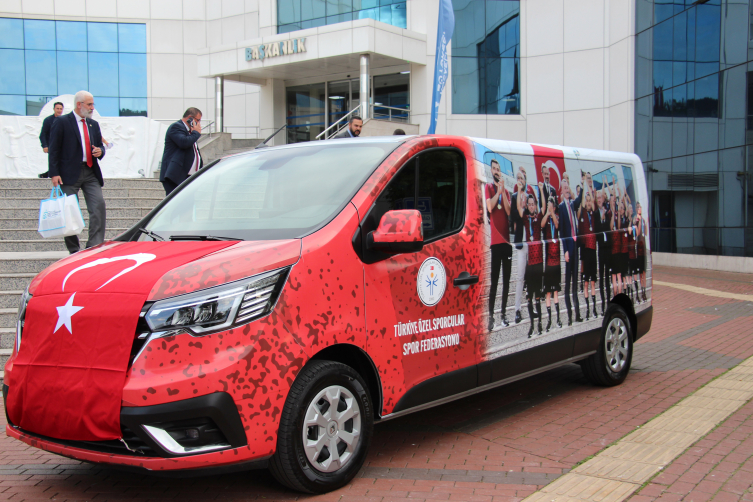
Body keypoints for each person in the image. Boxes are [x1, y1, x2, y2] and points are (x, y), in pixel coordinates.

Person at [48, 91, 106, 255]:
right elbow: (54, 149)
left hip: (90, 171)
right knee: (69, 211)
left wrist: (100, 151)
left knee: (98, 205)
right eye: (89, 104)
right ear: (79, 104)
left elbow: (100, 146)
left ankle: (94, 246)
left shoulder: (93, 124)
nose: (92, 108)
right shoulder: (61, 122)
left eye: (93, 104)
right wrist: (54, 173)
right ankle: (74, 250)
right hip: (68, 174)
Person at [485, 160, 512, 330]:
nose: (496, 171)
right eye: (494, 168)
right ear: (491, 171)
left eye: (498, 169)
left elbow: (509, 211)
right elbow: (489, 207)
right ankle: (491, 316)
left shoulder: (506, 192)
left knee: (506, 281)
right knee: (494, 281)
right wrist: (498, 193)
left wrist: (503, 193)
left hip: (507, 243)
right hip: (495, 242)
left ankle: (503, 314)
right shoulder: (489, 188)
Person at [510, 166, 536, 324]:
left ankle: (531, 306)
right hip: (521, 242)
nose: (521, 181)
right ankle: (517, 310)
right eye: (518, 178)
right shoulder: (515, 197)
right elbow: (517, 215)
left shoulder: (530, 198)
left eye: (523, 178)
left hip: (533, 242)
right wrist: (520, 196)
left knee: (531, 276)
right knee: (520, 277)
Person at [160, 108, 203, 196]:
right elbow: (184, 143)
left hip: (187, 176)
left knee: (187, 206)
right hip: (175, 176)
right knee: (175, 205)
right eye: (197, 120)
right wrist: (196, 133)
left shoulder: (190, 131)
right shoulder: (176, 127)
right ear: (190, 118)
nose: (199, 124)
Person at [558, 178, 582, 325]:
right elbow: (562, 231)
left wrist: (583, 184)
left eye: (568, 187)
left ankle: (578, 314)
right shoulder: (561, 207)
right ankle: (569, 316)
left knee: (575, 282)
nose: (567, 189)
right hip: (569, 248)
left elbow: (579, 200)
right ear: (562, 190)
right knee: (567, 285)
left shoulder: (573, 204)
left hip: (576, 246)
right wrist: (565, 250)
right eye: (565, 188)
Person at [520, 194, 543, 337]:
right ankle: (531, 325)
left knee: (538, 296)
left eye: (533, 204)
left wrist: (540, 190)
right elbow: (520, 209)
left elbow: (544, 208)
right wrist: (523, 200)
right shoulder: (526, 218)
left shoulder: (538, 218)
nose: (531, 206)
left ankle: (539, 324)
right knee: (529, 296)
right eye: (529, 204)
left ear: (535, 205)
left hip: (539, 262)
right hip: (529, 263)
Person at [541, 196, 562, 331]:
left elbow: (557, 225)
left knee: (556, 291)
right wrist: (547, 213)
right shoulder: (546, 217)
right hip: (548, 261)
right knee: (548, 291)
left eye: (551, 206)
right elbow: (541, 225)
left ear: (554, 207)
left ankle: (558, 318)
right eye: (548, 205)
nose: (549, 207)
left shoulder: (556, 216)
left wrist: (552, 213)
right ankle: (549, 319)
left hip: (557, 261)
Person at [578, 191, 598, 320]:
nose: (589, 203)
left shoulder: (594, 214)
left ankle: (594, 308)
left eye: (590, 201)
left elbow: (596, 205)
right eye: (587, 201)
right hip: (585, 250)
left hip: (593, 251)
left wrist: (593, 195)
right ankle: (587, 309)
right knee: (586, 283)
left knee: (592, 283)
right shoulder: (583, 213)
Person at [595, 178, 612, 315]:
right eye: (598, 197)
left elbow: (610, 229)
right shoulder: (596, 214)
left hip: (608, 249)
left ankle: (608, 304)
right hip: (600, 249)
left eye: (601, 197)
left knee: (608, 278)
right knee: (601, 277)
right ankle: (602, 306)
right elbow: (597, 230)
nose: (599, 199)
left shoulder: (608, 213)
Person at [38, 101, 64, 178]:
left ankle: (48, 174)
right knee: (54, 162)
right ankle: (49, 175)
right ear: (54, 109)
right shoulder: (48, 120)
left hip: (62, 146)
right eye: (57, 108)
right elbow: (43, 134)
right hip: (52, 146)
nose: (59, 110)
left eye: (61, 109)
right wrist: (45, 146)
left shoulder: (64, 120)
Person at [635, 202, 647, 303]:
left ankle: (644, 291)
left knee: (644, 271)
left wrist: (645, 222)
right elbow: (638, 233)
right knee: (640, 272)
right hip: (638, 246)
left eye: (640, 207)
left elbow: (645, 233)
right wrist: (639, 222)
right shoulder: (637, 220)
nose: (640, 209)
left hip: (644, 246)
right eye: (638, 207)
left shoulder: (642, 220)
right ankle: (640, 291)